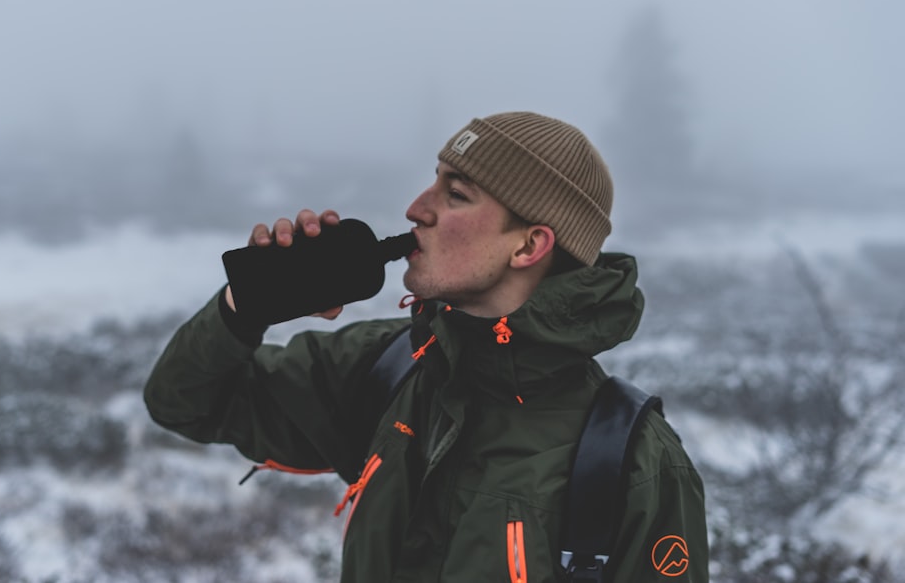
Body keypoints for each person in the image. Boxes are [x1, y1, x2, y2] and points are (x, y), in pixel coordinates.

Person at [144, 111, 708, 582]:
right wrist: (245, 309)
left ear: (530, 244)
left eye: (455, 194)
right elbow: (185, 403)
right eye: (433, 179)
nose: (417, 207)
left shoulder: (634, 466)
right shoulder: (388, 370)